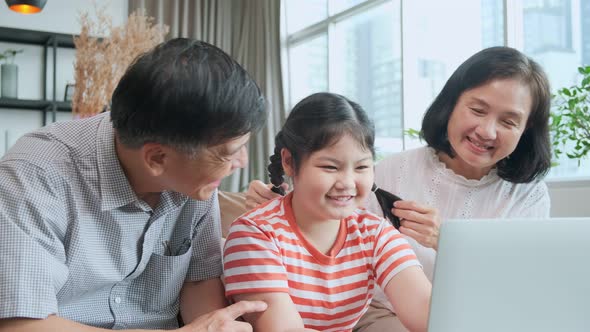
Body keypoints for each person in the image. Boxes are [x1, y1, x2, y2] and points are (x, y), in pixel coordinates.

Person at [245, 46, 552, 331]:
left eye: (509, 121)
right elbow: (330, 233)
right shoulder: (391, 172)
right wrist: (287, 204)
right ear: (452, 104)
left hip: (474, 314)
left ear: (526, 131)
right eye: (478, 110)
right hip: (381, 310)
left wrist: (451, 242)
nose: (487, 131)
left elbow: (519, 287)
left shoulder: (529, 196)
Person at [0, 38, 269, 332]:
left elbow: (199, 279)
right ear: (157, 158)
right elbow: (20, 325)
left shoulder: (197, 181)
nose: (241, 162)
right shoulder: (35, 174)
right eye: (228, 153)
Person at [223, 92, 432, 332]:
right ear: (289, 162)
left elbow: (426, 313)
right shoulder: (255, 234)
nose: (348, 183)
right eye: (330, 167)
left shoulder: (375, 234)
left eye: (362, 167)